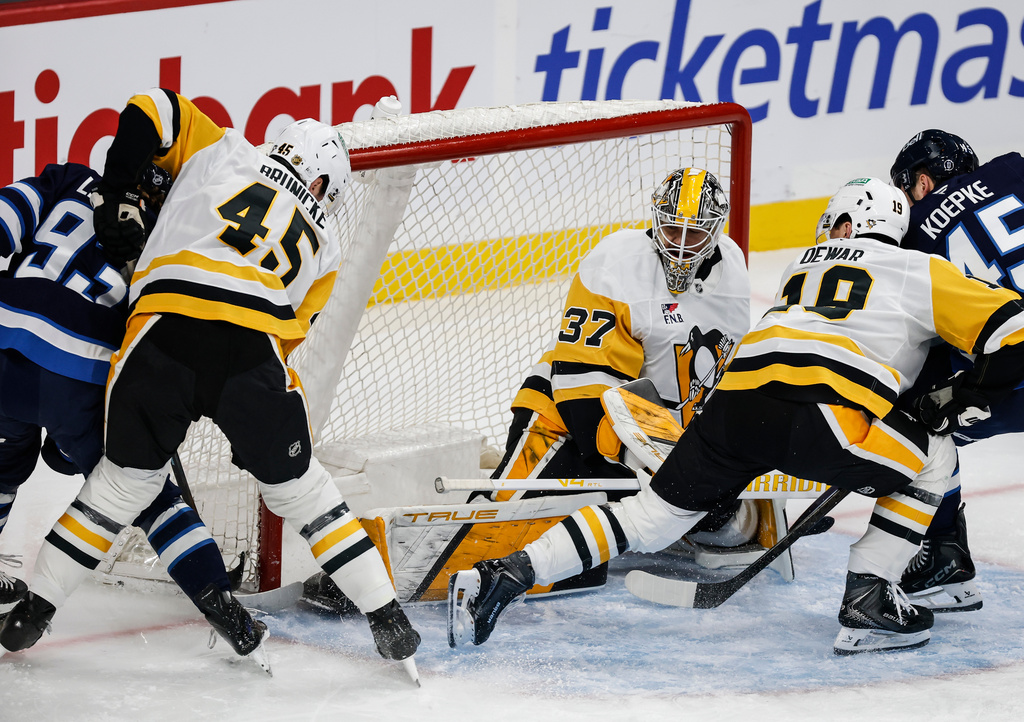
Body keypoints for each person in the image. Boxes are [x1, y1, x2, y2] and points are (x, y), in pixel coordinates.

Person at [447, 177, 1024, 655]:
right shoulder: (920, 268)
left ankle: (514, 569)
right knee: (937, 456)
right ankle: (869, 596)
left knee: (649, 517)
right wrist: (955, 396)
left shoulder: (802, 267)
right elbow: (1014, 331)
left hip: (733, 408)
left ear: (842, 225)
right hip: (823, 415)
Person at [0, 89, 420, 670]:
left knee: (123, 486)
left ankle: (34, 612)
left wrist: (121, 195)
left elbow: (151, 105)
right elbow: (287, 339)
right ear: (325, 187)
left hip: (157, 334)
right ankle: (387, 616)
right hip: (249, 355)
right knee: (303, 490)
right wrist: (263, 436)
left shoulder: (224, 151)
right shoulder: (323, 247)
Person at [0, 162, 234, 621]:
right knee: (142, 487)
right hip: (77, 369)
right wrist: (72, 450)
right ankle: (219, 600)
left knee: (3, 461)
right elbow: (147, 350)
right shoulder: (173, 238)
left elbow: (8, 211)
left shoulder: (71, 178)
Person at [888, 129, 1024, 613]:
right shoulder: (1013, 168)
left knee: (915, 423)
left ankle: (942, 554)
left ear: (921, 184)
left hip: (1014, 371)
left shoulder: (909, 236)